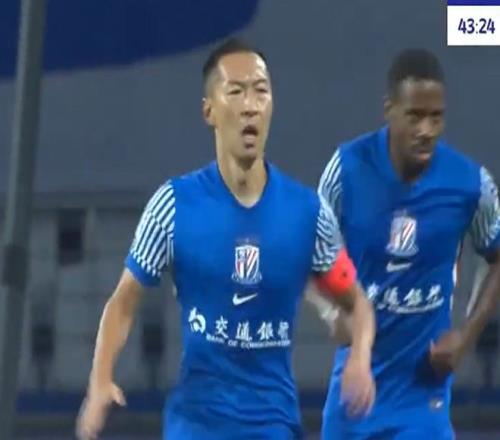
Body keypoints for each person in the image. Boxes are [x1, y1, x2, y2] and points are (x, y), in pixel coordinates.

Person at [76, 38, 376, 440]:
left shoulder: (308, 213)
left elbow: (356, 302)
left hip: (273, 425)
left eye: (261, 91)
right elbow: (123, 301)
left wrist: (359, 356)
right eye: (236, 92)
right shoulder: (173, 206)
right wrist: (100, 380)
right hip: (196, 424)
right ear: (210, 111)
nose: (250, 105)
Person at [312, 48, 500, 439]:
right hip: (356, 389)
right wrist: (331, 315)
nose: (426, 129)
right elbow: (309, 251)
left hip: (423, 397)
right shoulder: (347, 169)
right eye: (414, 116)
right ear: (389, 110)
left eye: (436, 117)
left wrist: (466, 336)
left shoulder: (469, 184)